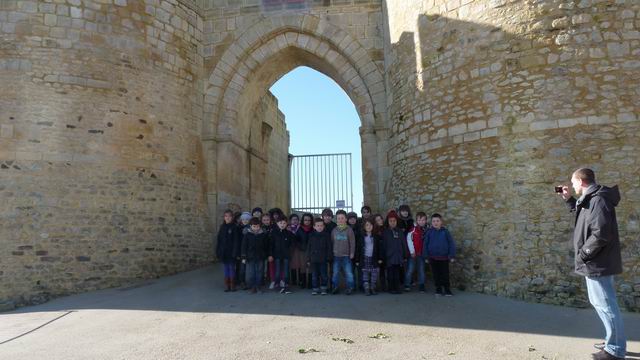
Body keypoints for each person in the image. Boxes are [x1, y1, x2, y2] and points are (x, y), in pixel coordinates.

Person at [558, 168, 625, 360]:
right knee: (601, 303)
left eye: (573, 182)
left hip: (598, 261)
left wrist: (584, 254)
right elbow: (583, 216)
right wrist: (569, 199)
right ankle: (612, 340)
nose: (572, 185)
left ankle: (615, 350)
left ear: (581, 181)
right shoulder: (592, 198)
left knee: (606, 305)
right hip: (595, 261)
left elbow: (601, 233)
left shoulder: (598, 199)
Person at [424, 213, 456, 296]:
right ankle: (438, 289)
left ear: (441, 222)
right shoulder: (429, 232)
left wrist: (451, 255)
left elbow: (451, 243)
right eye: (434, 221)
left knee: (445, 274)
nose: (435, 223)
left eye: (437, 221)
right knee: (436, 274)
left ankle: (447, 289)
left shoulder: (445, 232)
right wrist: (426, 256)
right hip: (433, 258)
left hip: (444, 258)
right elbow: (425, 244)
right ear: (431, 223)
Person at [380, 210, 409, 294]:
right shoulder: (385, 232)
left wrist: (405, 255)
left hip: (398, 256)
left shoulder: (400, 231)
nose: (392, 223)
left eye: (394, 221)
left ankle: (397, 287)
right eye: (390, 221)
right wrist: (383, 257)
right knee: (390, 274)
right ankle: (391, 288)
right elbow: (383, 246)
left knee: (397, 273)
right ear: (388, 222)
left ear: (397, 221)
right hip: (389, 256)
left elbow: (403, 243)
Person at [331, 210, 356, 295]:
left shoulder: (349, 230)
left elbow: (352, 242)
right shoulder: (334, 230)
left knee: (348, 273)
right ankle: (335, 287)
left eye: (342, 218)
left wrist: (352, 253)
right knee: (335, 273)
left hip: (346, 256)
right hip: (336, 256)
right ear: (336, 219)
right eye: (339, 218)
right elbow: (332, 242)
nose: (340, 220)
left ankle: (350, 287)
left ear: (346, 219)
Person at [241, 217, 268, 294]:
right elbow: (244, 246)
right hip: (250, 257)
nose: (256, 228)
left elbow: (266, 246)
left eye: (257, 226)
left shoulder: (263, 235)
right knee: (251, 272)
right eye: (254, 226)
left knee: (259, 272)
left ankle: (258, 286)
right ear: (250, 226)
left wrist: (266, 254)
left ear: (260, 226)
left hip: (260, 257)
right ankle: (253, 286)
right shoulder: (247, 235)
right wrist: (243, 256)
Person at [216, 209, 241, 292]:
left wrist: (235, 253)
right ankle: (227, 285)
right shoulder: (222, 227)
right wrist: (218, 251)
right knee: (226, 268)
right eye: (226, 216)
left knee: (231, 268)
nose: (227, 218)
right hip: (224, 252)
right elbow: (219, 240)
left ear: (232, 217)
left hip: (232, 252)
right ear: (224, 217)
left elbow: (236, 241)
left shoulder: (234, 227)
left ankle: (232, 284)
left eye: (229, 216)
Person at [269, 217, 295, 294]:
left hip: (286, 255)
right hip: (277, 255)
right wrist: (270, 254)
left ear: (287, 224)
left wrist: (289, 251)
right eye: (280, 223)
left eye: (284, 223)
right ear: (277, 224)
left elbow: (292, 244)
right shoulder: (273, 233)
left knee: (286, 271)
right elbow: (271, 245)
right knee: (277, 271)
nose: (282, 225)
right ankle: (277, 284)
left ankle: (286, 285)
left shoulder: (289, 233)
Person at [306, 218, 332, 295]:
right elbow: (309, 248)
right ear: (314, 226)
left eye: (321, 225)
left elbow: (329, 247)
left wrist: (329, 257)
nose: (319, 227)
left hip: (323, 259)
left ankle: (324, 288)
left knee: (324, 275)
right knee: (314, 275)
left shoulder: (327, 235)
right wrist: (308, 258)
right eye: (318, 225)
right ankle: (315, 288)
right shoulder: (311, 235)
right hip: (313, 259)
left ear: (324, 226)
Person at [357, 218, 382, 296]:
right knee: (365, 274)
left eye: (370, 225)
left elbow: (379, 248)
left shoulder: (376, 236)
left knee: (374, 273)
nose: (369, 227)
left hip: (374, 258)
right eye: (367, 225)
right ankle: (367, 288)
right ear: (364, 227)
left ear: (373, 226)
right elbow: (358, 249)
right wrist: (357, 260)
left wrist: (380, 258)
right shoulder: (361, 237)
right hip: (365, 258)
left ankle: (372, 287)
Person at [405, 211, 428, 292]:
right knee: (410, 269)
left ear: (426, 221)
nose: (421, 222)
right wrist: (412, 251)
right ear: (417, 221)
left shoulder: (426, 230)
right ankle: (407, 284)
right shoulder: (413, 230)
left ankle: (422, 285)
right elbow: (409, 240)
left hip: (421, 254)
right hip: (413, 254)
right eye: (419, 220)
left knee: (421, 270)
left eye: (423, 220)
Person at [293, 213, 313, 288]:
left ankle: (310, 283)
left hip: (311, 251)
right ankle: (303, 282)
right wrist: (300, 246)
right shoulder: (300, 229)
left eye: (309, 220)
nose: (307, 221)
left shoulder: (313, 229)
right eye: (305, 220)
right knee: (303, 266)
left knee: (311, 267)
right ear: (303, 220)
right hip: (303, 250)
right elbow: (296, 240)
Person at [236, 211, 252, 290]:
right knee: (242, 268)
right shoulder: (238, 229)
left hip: (249, 251)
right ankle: (242, 282)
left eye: (247, 219)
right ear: (241, 220)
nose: (245, 221)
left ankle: (248, 282)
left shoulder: (251, 229)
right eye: (243, 219)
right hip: (241, 252)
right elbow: (237, 241)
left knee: (248, 268)